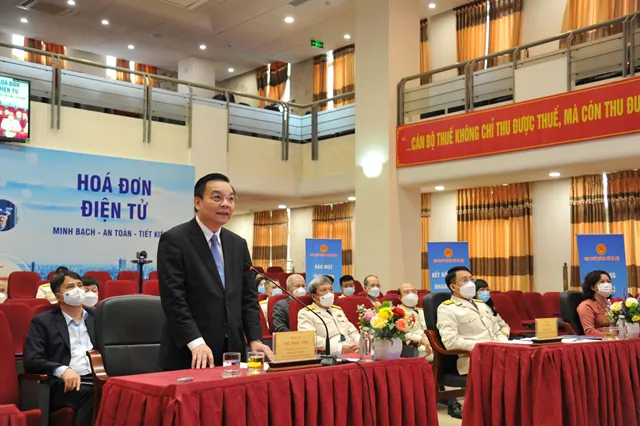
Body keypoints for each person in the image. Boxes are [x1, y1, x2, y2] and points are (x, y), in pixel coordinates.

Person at [157, 173, 273, 370]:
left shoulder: (237, 244)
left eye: (230, 199)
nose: (225, 204)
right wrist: (195, 342)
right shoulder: (175, 240)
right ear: (198, 202)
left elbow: (248, 298)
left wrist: (255, 339)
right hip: (191, 351)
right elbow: (174, 299)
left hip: (232, 349)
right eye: (217, 197)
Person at [23, 271, 95, 426]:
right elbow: (32, 360)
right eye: (71, 287)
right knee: (91, 394)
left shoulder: (97, 317)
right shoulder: (43, 321)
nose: (78, 290)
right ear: (58, 297)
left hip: (97, 378)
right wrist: (62, 370)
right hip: (64, 384)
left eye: (80, 285)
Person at [437, 266, 509, 419]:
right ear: (453, 287)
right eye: (464, 280)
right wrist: (485, 346)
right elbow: (451, 342)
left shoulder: (482, 305)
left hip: (498, 354)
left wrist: (502, 344)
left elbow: (498, 331)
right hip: (473, 359)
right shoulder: (447, 309)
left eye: (471, 279)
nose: (470, 283)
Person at [297, 275, 360, 355]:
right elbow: (311, 339)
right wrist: (340, 348)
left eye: (331, 289)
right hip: (330, 353)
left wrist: (359, 343)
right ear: (314, 297)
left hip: (351, 349)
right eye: (324, 290)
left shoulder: (337, 310)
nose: (329, 293)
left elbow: (352, 331)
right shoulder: (306, 313)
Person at [397, 283, 433, 360]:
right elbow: (402, 334)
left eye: (413, 291)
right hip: (413, 348)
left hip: (431, 344)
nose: (411, 294)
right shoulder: (396, 314)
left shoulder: (423, 311)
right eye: (406, 292)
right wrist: (421, 339)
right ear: (400, 297)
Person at [577, 270, 613, 337]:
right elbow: (590, 332)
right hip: (600, 341)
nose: (607, 284)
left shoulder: (610, 304)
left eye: (608, 281)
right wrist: (612, 336)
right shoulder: (585, 306)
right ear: (593, 287)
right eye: (602, 282)